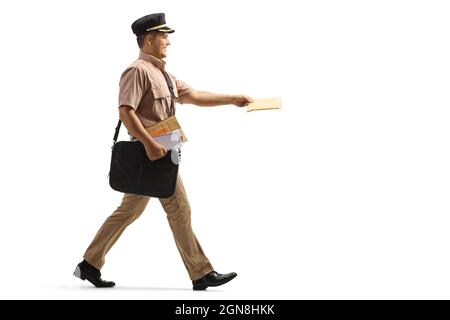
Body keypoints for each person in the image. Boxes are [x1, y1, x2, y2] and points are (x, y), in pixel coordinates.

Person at [73, 13, 253, 290]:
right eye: (163, 35)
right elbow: (125, 110)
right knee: (179, 209)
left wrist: (232, 99)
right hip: (151, 153)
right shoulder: (137, 71)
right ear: (149, 38)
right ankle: (201, 273)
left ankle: (89, 264)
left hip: (162, 151)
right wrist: (148, 143)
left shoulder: (163, 73)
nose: (168, 41)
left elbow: (192, 96)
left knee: (128, 211)